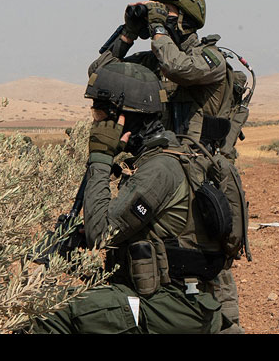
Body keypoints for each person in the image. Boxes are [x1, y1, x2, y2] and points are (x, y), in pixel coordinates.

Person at [88, 0, 249, 333]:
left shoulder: (211, 60)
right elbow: (101, 74)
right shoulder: (156, 58)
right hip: (159, 167)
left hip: (200, 177)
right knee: (147, 253)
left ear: (186, 19)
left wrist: (159, 26)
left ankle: (220, 323)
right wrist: (128, 33)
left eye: (164, 11)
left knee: (202, 265)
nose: (154, 19)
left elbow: (178, 68)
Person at [29, 62, 231, 334]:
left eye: (100, 114)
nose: (96, 123)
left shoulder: (160, 169)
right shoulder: (159, 159)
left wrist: (100, 156)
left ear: (123, 116)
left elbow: (101, 234)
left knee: (48, 313)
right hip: (165, 300)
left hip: (174, 308)